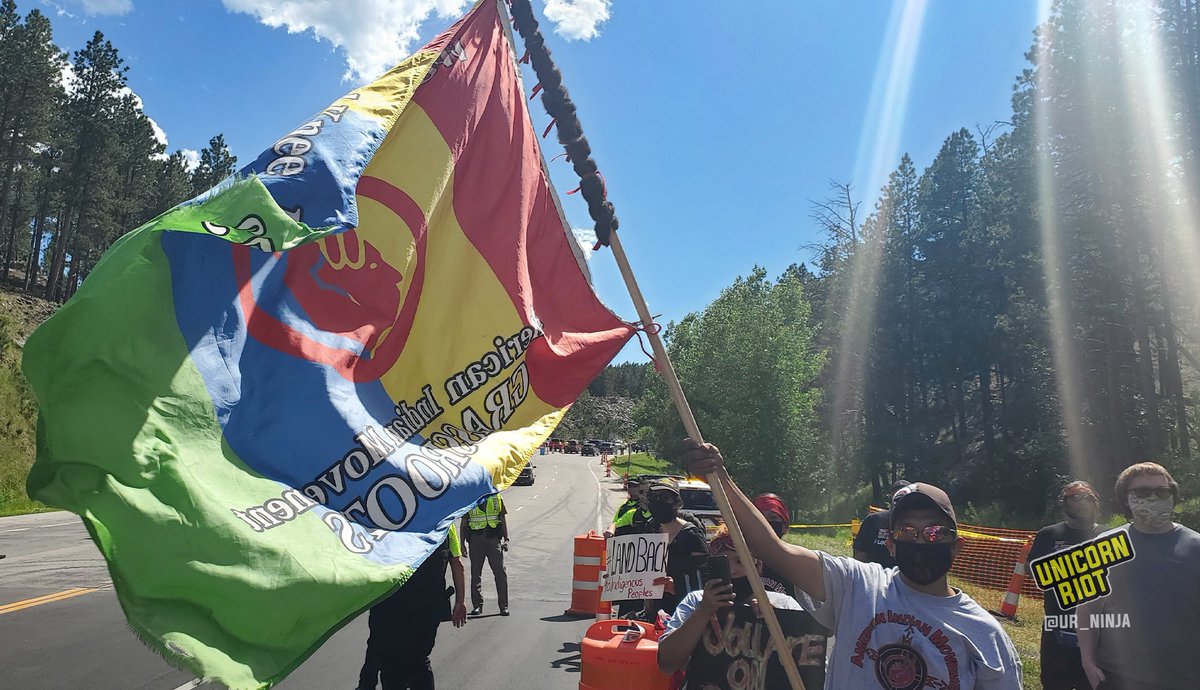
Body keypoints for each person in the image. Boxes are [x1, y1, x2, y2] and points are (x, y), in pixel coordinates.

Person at [682, 438, 1023, 689]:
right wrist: (720, 476)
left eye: (934, 532)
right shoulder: (856, 585)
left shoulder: (986, 635)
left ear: (956, 546)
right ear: (890, 544)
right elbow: (773, 550)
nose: (921, 541)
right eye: (908, 531)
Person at [657, 525, 828, 689]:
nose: (733, 571)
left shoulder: (784, 604)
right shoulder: (696, 601)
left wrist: (778, 618)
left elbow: (815, 669)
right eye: (723, 563)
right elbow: (667, 663)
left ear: (757, 566)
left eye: (740, 561)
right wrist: (703, 613)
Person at [1078, 462, 1200, 690]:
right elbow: (1087, 608)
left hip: (1186, 677)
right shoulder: (1106, 546)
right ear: (1126, 498)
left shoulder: (1196, 546)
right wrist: (1087, 661)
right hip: (1118, 676)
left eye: (1162, 492)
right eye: (1143, 492)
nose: (1153, 498)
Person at [357, 524, 467, 690]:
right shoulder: (447, 522)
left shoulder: (393, 516)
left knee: (390, 661)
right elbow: (456, 563)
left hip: (392, 605)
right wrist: (460, 601)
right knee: (419, 661)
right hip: (428, 608)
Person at [1026, 481, 1103, 690]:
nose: (1083, 502)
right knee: (1054, 684)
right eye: (1075, 497)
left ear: (1097, 504)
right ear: (1064, 503)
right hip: (1056, 629)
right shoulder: (1048, 535)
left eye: (1089, 498)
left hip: (1100, 630)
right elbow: (1031, 570)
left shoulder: (1110, 536)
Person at [646, 478, 709, 616]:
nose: (658, 502)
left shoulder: (692, 536)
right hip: (655, 613)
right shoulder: (652, 529)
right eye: (654, 497)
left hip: (683, 616)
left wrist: (677, 586)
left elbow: (704, 580)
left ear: (677, 502)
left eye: (665, 497)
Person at [460, 494, 509, 616]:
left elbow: (502, 518)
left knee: (500, 573)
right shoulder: (470, 497)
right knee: (476, 573)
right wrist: (461, 544)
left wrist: (506, 539)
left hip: (493, 539)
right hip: (476, 539)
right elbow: (464, 522)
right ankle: (477, 606)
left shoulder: (496, 497)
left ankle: (504, 606)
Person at [853, 480, 911, 567]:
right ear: (891, 497)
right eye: (898, 497)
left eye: (905, 497)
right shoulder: (873, 520)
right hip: (875, 577)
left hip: (904, 577)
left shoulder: (916, 524)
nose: (900, 501)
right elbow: (860, 551)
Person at [752, 493, 798, 597]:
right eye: (759, 517)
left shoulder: (796, 563)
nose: (765, 523)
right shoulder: (737, 560)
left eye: (773, 517)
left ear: (785, 526)